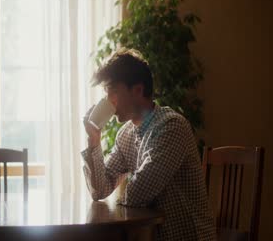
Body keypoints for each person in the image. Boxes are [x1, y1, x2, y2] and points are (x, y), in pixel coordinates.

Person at [81, 49, 216, 240]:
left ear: (137, 90)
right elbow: (99, 191)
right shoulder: (126, 134)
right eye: (106, 93)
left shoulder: (171, 126)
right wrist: (94, 140)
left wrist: (123, 197)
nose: (108, 100)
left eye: (113, 91)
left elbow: (138, 193)